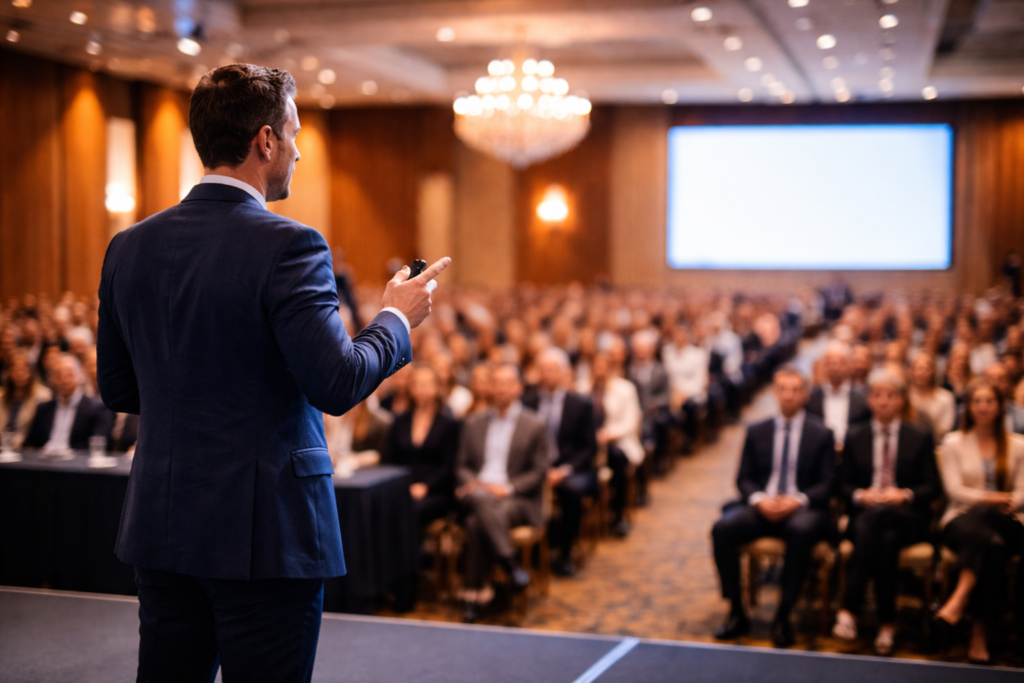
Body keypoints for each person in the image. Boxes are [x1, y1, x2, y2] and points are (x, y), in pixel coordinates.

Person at [96, 64, 449, 683]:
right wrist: (395, 318)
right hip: (264, 533)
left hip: (164, 521)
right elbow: (337, 384)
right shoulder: (289, 245)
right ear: (265, 141)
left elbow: (120, 389)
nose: (299, 148)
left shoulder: (130, 245)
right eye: (294, 131)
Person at [712, 367, 837, 648]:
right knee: (722, 529)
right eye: (782, 389)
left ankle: (784, 613)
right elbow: (743, 479)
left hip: (802, 508)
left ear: (805, 394)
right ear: (775, 392)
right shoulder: (758, 431)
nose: (788, 396)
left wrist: (797, 500)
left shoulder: (821, 434)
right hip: (763, 506)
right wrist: (759, 499)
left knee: (801, 530)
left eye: (795, 390)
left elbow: (828, 484)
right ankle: (736, 610)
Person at [832, 369, 941, 655]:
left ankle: (850, 608)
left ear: (901, 400)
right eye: (877, 395)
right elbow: (843, 485)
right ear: (869, 400)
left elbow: (932, 487)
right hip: (868, 516)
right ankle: (887, 624)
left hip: (909, 517)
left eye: (890, 396)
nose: (883, 402)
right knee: (885, 538)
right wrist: (861, 494)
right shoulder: (855, 436)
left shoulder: (919, 436)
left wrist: (903, 494)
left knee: (883, 519)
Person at [935, 379, 1024, 665]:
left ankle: (958, 600)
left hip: (1010, 519)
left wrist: (1007, 501)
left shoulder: (1019, 445)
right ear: (968, 407)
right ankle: (979, 632)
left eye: (989, 401)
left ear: (1000, 407)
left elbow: (1023, 491)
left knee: (991, 525)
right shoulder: (953, 442)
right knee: (991, 543)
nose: (983, 407)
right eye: (977, 401)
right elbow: (954, 491)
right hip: (961, 521)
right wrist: (993, 498)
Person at [455, 364, 548, 623]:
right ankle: (510, 564)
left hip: (515, 499)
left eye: (506, 382)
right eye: (495, 382)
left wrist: (507, 488)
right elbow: (462, 465)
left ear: (519, 387)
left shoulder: (534, 424)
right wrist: (475, 483)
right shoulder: (474, 422)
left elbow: (540, 470)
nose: (500, 388)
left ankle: (474, 593)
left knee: (476, 523)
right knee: (478, 499)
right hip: (480, 492)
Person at [522, 348, 597, 576]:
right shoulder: (528, 401)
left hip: (568, 466)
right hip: (535, 466)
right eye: (544, 369)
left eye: (553, 369)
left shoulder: (580, 404)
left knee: (572, 491)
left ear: (564, 372)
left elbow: (588, 448)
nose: (548, 374)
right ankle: (532, 553)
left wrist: (563, 470)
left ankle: (565, 554)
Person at [387, 365, 459, 527]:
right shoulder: (400, 421)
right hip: (403, 486)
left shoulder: (448, 423)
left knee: (410, 509)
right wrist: (402, 486)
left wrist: (426, 486)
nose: (421, 389)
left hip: (434, 491)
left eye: (427, 384)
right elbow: (391, 458)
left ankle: (410, 553)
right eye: (417, 384)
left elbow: (447, 466)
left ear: (437, 388)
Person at [590, 351, 644, 537]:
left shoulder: (625, 389)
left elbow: (630, 422)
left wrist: (608, 434)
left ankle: (619, 514)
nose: (599, 371)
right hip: (590, 443)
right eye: (596, 367)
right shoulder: (583, 387)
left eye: (603, 367)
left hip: (617, 442)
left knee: (618, 459)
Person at [23, 353, 112, 454]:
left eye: (69, 374)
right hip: (45, 462)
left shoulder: (97, 408)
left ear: (80, 375)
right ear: (51, 379)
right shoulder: (43, 409)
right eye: (58, 374)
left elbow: (98, 445)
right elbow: (30, 443)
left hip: (76, 465)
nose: (64, 379)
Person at [805, 341, 870, 449]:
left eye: (840, 362)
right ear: (823, 365)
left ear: (849, 364)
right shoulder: (810, 399)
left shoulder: (862, 399)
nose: (835, 367)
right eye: (829, 363)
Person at [627, 330, 671, 476]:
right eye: (638, 349)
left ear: (651, 350)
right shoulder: (629, 370)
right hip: (635, 410)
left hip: (654, 410)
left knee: (661, 423)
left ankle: (659, 459)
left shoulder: (660, 370)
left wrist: (655, 404)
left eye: (644, 349)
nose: (641, 353)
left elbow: (667, 395)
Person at [661, 325, 709, 451]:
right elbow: (665, 377)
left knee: (691, 407)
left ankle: (688, 438)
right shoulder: (667, 352)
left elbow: (700, 379)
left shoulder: (697, 353)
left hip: (691, 393)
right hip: (672, 392)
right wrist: (674, 392)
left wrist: (686, 393)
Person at [0, 349, 52, 448]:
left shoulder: (43, 396)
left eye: (23, 369)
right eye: (16, 369)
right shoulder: (1, 396)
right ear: (8, 373)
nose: (20, 374)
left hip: (27, 448)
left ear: (31, 372)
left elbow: (42, 431)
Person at [908, 353, 956, 440]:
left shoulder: (946, 397)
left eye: (925, 369)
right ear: (912, 371)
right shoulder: (904, 397)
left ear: (932, 371)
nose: (921, 373)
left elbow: (945, 429)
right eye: (918, 369)